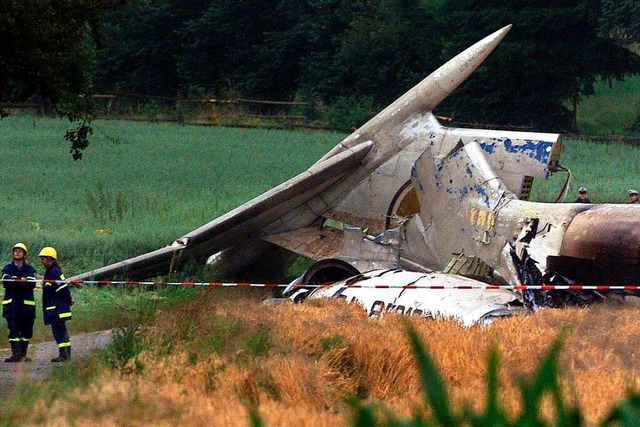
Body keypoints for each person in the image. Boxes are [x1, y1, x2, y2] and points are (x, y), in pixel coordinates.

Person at [1, 243, 38, 362]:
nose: (17, 252)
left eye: (19, 251)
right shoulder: (7, 268)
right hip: (11, 306)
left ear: (24, 254)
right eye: (15, 251)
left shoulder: (30, 269)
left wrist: (15, 281)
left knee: (26, 330)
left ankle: (23, 354)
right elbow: (6, 282)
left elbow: (32, 284)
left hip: (26, 307)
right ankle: (15, 353)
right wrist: (22, 281)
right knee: (13, 329)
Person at [39, 247, 72, 362]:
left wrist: (69, 299)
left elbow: (63, 288)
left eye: (43, 258)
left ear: (49, 259)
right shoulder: (51, 271)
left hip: (58, 308)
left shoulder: (54, 272)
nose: (41, 261)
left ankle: (65, 354)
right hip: (55, 308)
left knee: (60, 331)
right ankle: (64, 354)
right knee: (59, 331)